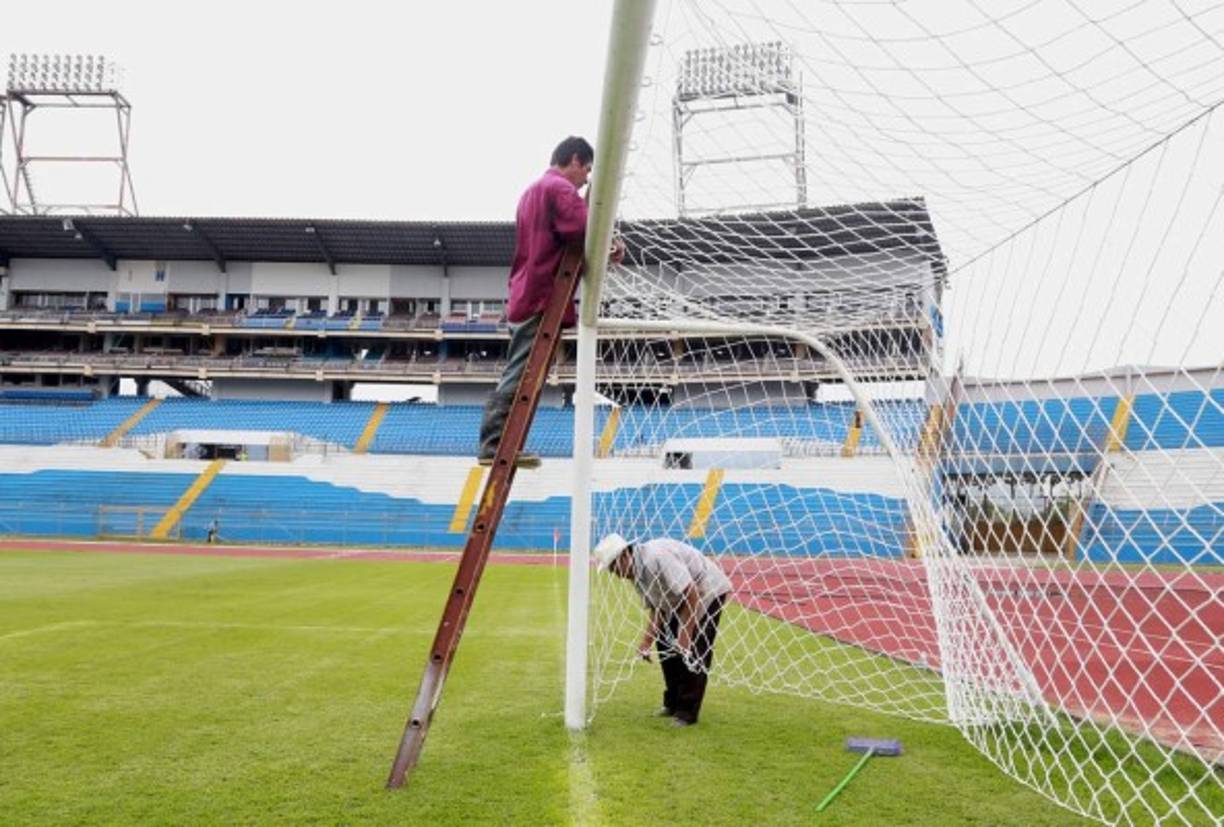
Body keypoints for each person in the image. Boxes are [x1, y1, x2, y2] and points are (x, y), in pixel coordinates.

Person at [477, 135, 624, 467]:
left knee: (524, 369)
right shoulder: (559, 189)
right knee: (521, 371)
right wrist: (612, 245)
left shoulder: (532, 190)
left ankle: (502, 443)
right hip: (540, 294)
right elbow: (584, 228)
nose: (586, 178)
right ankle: (493, 444)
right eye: (586, 169)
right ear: (573, 159)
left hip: (527, 290)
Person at [593, 533, 732, 727]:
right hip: (683, 596)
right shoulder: (636, 573)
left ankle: (686, 713)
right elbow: (659, 607)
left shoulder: (657, 557)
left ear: (624, 555)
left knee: (694, 648)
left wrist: (685, 635)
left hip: (707, 590)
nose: (614, 574)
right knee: (665, 642)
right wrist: (646, 642)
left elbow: (692, 592)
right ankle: (673, 703)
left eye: (613, 567)